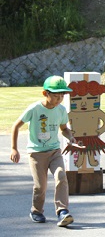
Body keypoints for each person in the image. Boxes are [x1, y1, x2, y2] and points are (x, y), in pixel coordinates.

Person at [10, 75, 75, 226]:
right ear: (45, 93)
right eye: (56, 95)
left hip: (54, 151)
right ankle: (36, 211)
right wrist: (14, 148)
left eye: (62, 95)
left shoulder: (61, 110)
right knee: (41, 186)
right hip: (36, 153)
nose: (59, 99)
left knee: (61, 176)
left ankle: (62, 211)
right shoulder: (35, 108)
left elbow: (64, 129)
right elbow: (16, 125)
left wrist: (70, 137)